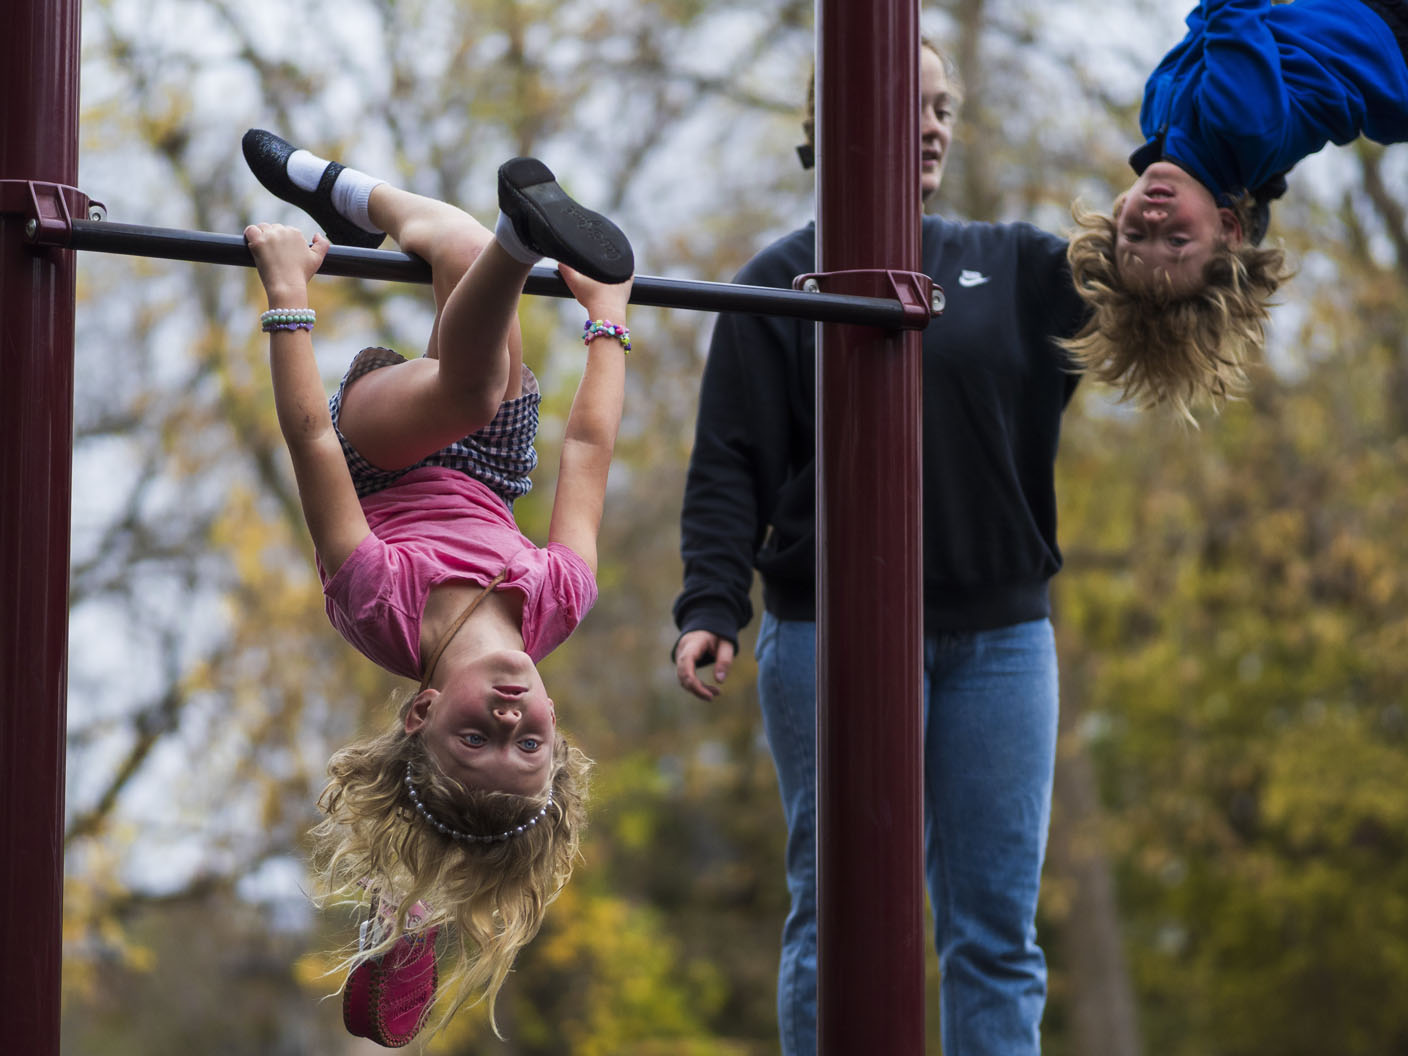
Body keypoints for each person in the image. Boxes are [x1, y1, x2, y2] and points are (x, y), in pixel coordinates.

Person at [672, 42, 1087, 1056]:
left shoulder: (1020, 266)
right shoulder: (774, 284)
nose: (935, 125)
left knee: (996, 933)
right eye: (913, 105)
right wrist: (709, 607)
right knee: (838, 912)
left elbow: (1160, 269)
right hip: (833, 638)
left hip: (1000, 642)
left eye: (944, 108)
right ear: (836, 125)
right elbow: (730, 463)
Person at [240, 129, 634, 1044]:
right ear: (555, 732)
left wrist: (289, 297)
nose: (506, 716)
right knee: (456, 249)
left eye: (474, 735)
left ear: (420, 716)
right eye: (527, 743)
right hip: (497, 462)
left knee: (471, 373)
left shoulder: (381, 604)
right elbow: (586, 450)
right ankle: (344, 193)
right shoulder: (558, 601)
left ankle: (514, 233)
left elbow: (308, 446)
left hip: (378, 451)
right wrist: (608, 319)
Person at [1064, 0, 1408, 418]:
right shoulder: (1238, 127)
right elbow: (1235, 10)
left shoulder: (1158, 118)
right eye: (1176, 240)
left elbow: (1206, 20)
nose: (1152, 221)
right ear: (1228, 228)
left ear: (1119, 216)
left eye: (1134, 237)